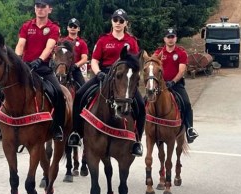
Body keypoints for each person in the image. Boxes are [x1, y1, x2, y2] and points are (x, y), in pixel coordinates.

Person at [68, 9, 145, 157]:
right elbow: (95, 61)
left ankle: (137, 141)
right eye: (115, 20)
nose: (118, 23)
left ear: (126, 23)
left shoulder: (131, 41)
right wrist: (98, 73)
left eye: (121, 21)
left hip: (123, 80)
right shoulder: (103, 40)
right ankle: (76, 133)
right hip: (103, 75)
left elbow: (135, 64)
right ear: (111, 21)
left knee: (141, 105)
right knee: (79, 95)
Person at [15, 0, 64, 141]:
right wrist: (17, 59)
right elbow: (20, 45)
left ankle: (57, 127)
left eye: (43, 7)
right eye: (38, 6)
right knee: (4, 89)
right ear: (34, 8)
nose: (40, 9)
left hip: (43, 68)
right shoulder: (26, 26)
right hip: (25, 67)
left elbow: (49, 47)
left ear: (50, 10)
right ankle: (3, 124)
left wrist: (40, 60)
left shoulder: (53, 28)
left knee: (59, 94)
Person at [153, 28, 199, 143]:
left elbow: (181, 70)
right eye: (168, 37)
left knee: (187, 104)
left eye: (172, 37)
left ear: (176, 38)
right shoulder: (158, 53)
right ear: (164, 39)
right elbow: (152, 67)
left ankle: (189, 129)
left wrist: (173, 82)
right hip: (160, 85)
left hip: (176, 85)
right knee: (145, 101)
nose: (170, 39)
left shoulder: (181, 53)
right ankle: (146, 128)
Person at [63, 18, 88, 87]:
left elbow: (84, 58)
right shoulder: (62, 42)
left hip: (75, 69)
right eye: (71, 26)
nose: (73, 28)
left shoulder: (82, 43)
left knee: (83, 88)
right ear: (68, 28)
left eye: (75, 26)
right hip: (63, 69)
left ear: (78, 29)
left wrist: (76, 65)